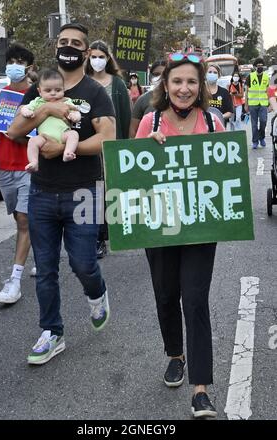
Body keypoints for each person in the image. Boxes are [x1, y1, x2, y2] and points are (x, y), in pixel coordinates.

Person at [8, 23, 116, 365]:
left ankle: (96, 294)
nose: (67, 47)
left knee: (84, 263)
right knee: (46, 268)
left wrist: (69, 149)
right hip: (41, 193)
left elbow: (107, 139)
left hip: (84, 192)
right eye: (62, 41)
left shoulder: (95, 92)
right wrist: (47, 110)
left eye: (75, 43)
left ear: (86, 52)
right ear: (55, 47)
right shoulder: (39, 90)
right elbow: (13, 131)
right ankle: (52, 332)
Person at [135, 52, 225, 418]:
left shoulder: (213, 122)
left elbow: (226, 177)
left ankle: (200, 389)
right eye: (177, 81)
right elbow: (132, 178)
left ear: (201, 86)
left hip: (201, 228)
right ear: (165, 85)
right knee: (166, 295)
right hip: (160, 225)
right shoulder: (148, 121)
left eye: (191, 82)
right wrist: (145, 151)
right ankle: (176, 354)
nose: (184, 89)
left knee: (196, 300)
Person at [0, 43, 35, 304]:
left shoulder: (38, 97)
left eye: (20, 61)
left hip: (30, 167)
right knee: (21, 220)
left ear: (29, 67)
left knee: (24, 219)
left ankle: (15, 280)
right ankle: (43, 254)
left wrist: (21, 134)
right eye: (11, 60)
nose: (14, 65)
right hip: (5, 169)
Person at [85, 39, 131, 258]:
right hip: (87, 149)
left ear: (108, 59)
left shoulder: (118, 84)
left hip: (112, 149)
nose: (97, 61)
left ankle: (111, 233)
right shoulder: (83, 83)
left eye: (101, 57)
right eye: (93, 56)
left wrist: (124, 147)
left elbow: (125, 118)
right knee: (93, 193)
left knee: (111, 193)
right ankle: (96, 238)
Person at [21, 69, 81, 172]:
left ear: (64, 89)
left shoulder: (67, 101)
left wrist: (75, 116)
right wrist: (26, 112)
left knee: (74, 134)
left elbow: (76, 111)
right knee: (32, 141)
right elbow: (25, 108)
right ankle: (34, 162)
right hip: (43, 137)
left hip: (63, 134)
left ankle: (68, 153)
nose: (53, 93)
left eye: (58, 90)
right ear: (40, 91)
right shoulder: (37, 102)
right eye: (48, 91)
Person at [129, 60, 166, 138]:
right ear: (150, 77)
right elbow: (133, 130)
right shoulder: (142, 100)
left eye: (164, 74)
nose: (160, 77)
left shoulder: (177, 100)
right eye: (156, 74)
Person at [244, 57, 270, 148]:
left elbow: (268, 91)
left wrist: (269, 104)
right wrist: (246, 104)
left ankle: (261, 137)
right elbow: (246, 92)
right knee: (254, 124)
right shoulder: (250, 76)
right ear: (255, 67)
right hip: (252, 104)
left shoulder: (267, 77)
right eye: (258, 66)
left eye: (261, 66)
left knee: (263, 121)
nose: (260, 67)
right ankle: (255, 141)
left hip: (263, 104)